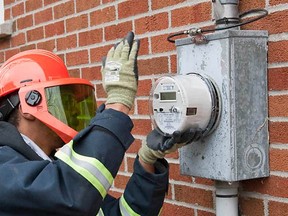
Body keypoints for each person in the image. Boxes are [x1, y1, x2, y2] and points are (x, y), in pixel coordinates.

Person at [0, 32, 201, 216]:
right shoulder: (6, 169)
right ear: (29, 104)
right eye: (63, 102)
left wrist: (147, 162)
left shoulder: (48, 165)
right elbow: (69, 195)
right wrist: (118, 103)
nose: (70, 111)